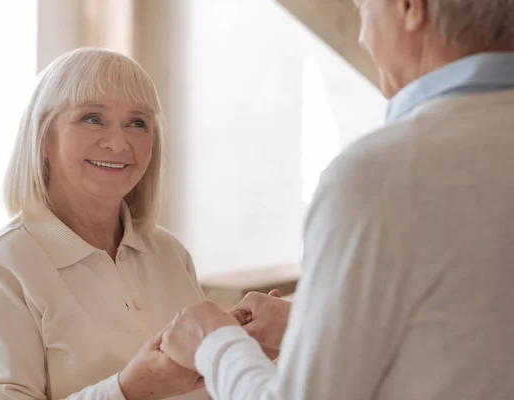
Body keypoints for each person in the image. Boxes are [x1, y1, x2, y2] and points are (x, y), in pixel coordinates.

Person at [159, 0, 514, 398]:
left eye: (363, 9)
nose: (362, 36)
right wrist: (311, 324)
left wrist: (214, 343)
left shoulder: (381, 175)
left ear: (410, 7)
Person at [0, 48, 208, 400]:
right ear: (43, 137)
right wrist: (127, 390)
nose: (117, 142)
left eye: (137, 122)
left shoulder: (170, 252)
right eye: (92, 118)